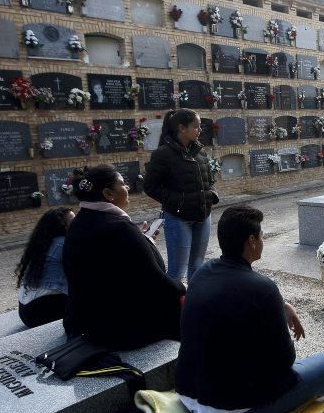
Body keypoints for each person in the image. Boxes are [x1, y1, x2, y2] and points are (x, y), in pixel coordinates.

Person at [176, 205, 324, 413]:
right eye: (262, 236)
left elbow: (228, 300)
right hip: (234, 411)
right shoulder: (262, 289)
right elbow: (285, 361)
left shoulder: (201, 274)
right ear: (252, 241)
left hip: (188, 395)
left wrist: (281, 305)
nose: (263, 240)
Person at [63, 164, 185, 350]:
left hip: (84, 320)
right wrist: (184, 287)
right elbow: (156, 282)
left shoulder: (80, 222)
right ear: (108, 194)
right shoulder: (120, 228)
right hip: (120, 329)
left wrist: (143, 241)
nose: (127, 187)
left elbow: (115, 263)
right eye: (122, 184)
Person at [143, 109, 219, 282]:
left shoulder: (200, 152)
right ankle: (169, 307)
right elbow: (150, 186)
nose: (199, 130)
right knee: (177, 271)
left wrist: (212, 194)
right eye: (196, 126)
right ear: (181, 128)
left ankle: (192, 305)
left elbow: (210, 179)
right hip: (178, 218)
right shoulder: (163, 154)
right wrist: (179, 200)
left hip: (203, 215)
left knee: (198, 267)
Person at [14, 207, 75, 328]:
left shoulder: (44, 243)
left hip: (26, 310)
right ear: (61, 226)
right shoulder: (63, 244)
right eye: (73, 221)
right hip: (44, 310)